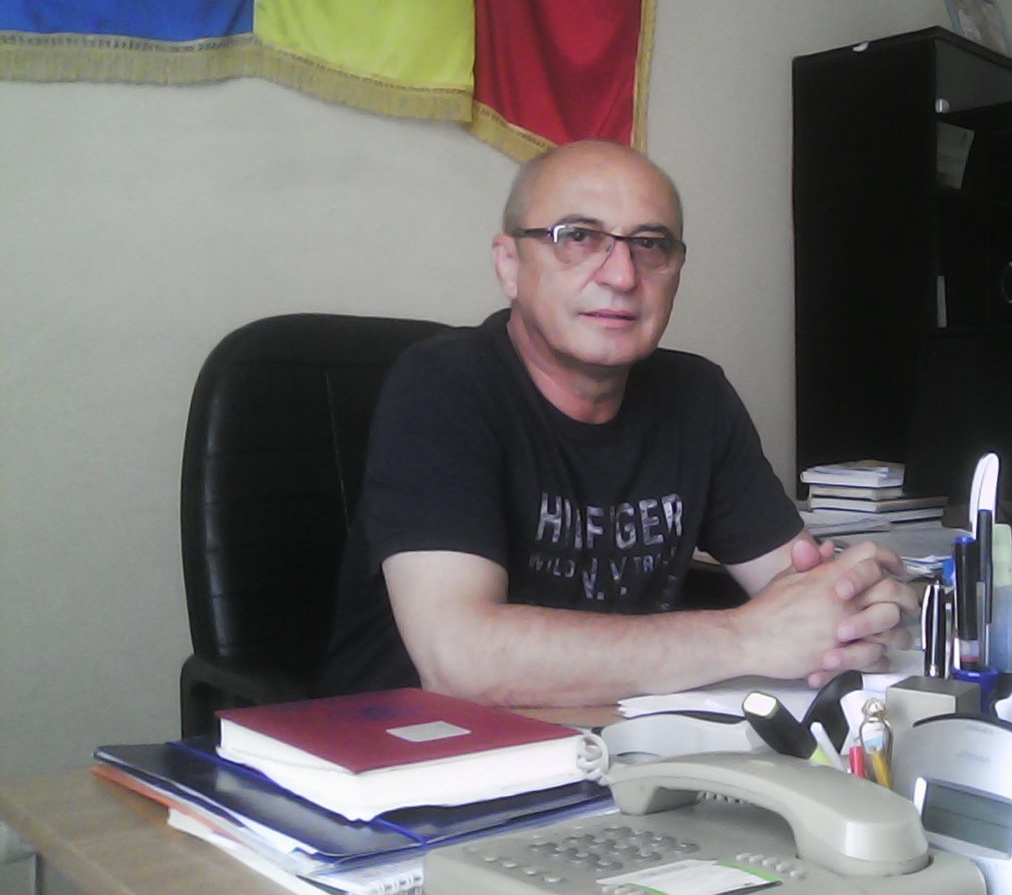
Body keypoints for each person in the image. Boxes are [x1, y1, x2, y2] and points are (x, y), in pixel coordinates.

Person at [319, 140, 919, 707]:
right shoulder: (443, 385)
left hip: (615, 738)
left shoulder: (697, 397)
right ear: (509, 265)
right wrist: (746, 637)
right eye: (578, 237)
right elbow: (459, 659)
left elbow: (801, 589)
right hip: (410, 754)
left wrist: (856, 608)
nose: (622, 276)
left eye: (650, 244)